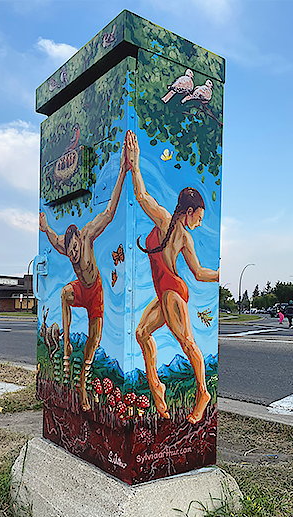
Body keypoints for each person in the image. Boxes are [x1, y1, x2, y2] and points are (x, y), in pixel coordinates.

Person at [126, 130, 219, 424]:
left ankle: (203, 393)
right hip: (165, 292)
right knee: (142, 334)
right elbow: (141, 196)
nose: (200, 222)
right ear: (189, 211)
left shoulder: (183, 237)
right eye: (199, 216)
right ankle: (156, 384)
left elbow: (199, 273)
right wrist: (134, 163)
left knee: (187, 343)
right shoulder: (167, 222)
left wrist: (221, 274)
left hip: (172, 292)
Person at [39, 135, 128, 411]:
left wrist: (123, 169)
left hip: (96, 292)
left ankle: (82, 383)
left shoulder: (88, 234)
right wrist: (45, 226)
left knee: (95, 338)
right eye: (71, 252)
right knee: (65, 293)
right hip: (81, 288)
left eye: (74, 250)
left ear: (79, 239)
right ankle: (65, 343)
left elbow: (111, 212)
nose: (73, 255)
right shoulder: (67, 246)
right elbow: (54, 239)